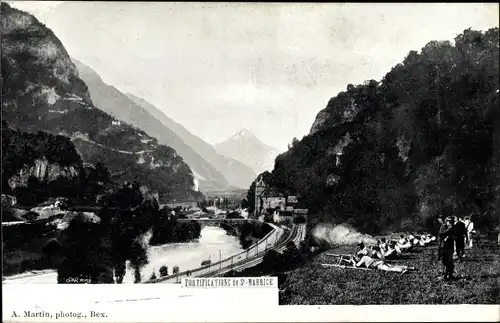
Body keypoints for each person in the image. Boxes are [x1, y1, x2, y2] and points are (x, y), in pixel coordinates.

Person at [350, 253, 416, 273]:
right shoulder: (366, 256)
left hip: (378, 265)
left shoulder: (363, 258)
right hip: (379, 261)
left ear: (359, 257)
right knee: (392, 266)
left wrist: (353, 262)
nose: (357, 259)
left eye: (357, 258)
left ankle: (402, 270)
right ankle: (409, 267)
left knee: (389, 269)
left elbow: (357, 265)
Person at [438, 216, 455, 281]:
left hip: (450, 247)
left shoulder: (453, 228)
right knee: (444, 262)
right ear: (446, 221)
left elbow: (454, 236)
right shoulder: (443, 226)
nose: (450, 223)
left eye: (451, 221)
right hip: (443, 247)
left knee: (449, 262)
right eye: (448, 221)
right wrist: (448, 230)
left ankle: (448, 276)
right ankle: (446, 275)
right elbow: (441, 234)